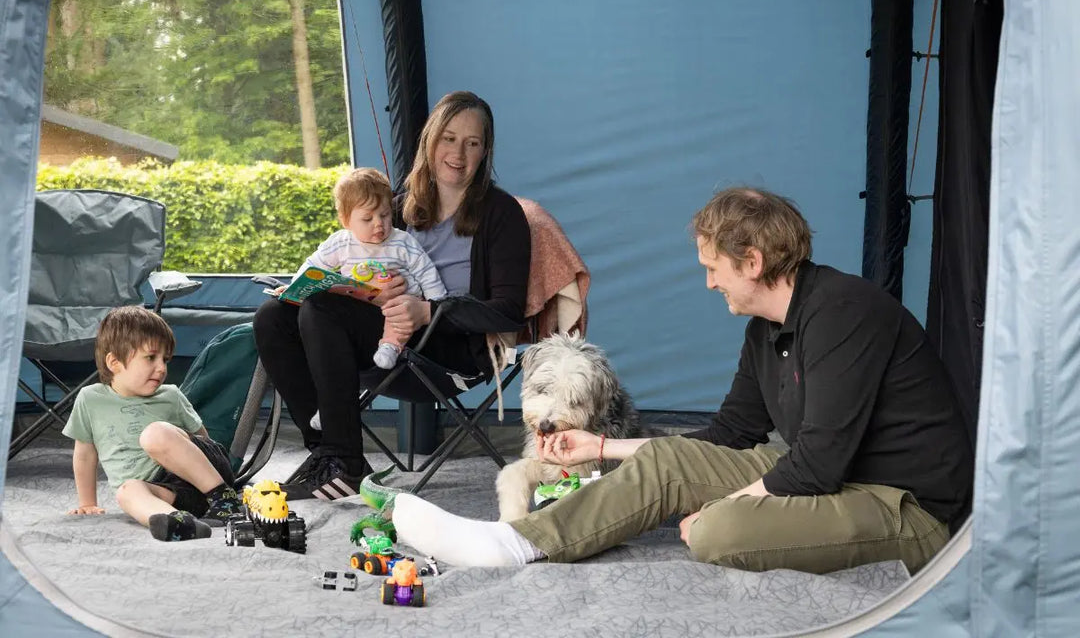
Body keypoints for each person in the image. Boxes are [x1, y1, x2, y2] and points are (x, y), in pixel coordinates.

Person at [390, 187, 975, 575]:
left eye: (713, 270)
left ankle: (544, 539)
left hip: (903, 505)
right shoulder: (766, 329)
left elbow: (817, 463)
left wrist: (720, 501)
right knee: (671, 463)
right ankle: (514, 542)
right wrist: (601, 447)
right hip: (834, 477)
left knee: (717, 532)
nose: (708, 284)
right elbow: (726, 435)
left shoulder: (846, 311)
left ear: (752, 261)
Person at [253, 90, 531, 501]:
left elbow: (508, 313)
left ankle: (344, 461)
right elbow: (347, 252)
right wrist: (308, 286)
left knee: (323, 310)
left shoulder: (502, 214)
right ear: (430, 142)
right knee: (273, 315)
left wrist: (428, 311)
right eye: (449, 139)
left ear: (485, 151)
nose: (458, 152)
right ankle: (327, 454)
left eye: (472, 143)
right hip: (378, 333)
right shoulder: (398, 206)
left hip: (449, 351)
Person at [62, 306, 243, 542]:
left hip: (204, 478)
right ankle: (179, 522)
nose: (162, 368)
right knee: (126, 491)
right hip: (173, 494)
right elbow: (85, 455)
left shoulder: (171, 395)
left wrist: (214, 482)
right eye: (151, 357)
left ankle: (224, 499)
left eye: (165, 360)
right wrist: (88, 503)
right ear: (114, 362)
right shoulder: (90, 399)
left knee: (155, 434)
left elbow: (203, 440)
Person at [282, 167, 447, 371]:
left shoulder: (403, 242)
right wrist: (295, 287)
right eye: (367, 219)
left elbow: (426, 272)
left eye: (385, 215)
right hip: (359, 312)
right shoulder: (341, 243)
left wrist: (437, 304)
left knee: (399, 312)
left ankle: (390, 346)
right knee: (322, 306)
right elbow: (313, 266)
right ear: (346, 221)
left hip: (400, 304)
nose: (379, 224)